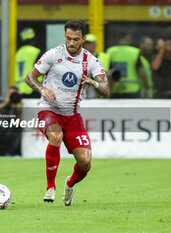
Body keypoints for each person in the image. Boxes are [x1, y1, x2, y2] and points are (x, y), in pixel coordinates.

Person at [25, 20, 109, 205]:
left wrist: (94, 83)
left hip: (71, 115)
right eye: (68, 38)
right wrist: (42, 89)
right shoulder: (53, 55)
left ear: (83, 39)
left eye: (76, 39)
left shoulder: (91, 61)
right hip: (48, 109)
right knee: (55, 136)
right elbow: (30, 77)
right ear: (65, 36)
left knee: (85, 162)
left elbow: (106, 90)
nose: (71, 43)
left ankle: (69, 184)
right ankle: (50, 187)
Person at [106, 32, 149, 98]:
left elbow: (107, 72)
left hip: (115, 90)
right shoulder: (135, 51)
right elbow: (142, 73)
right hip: (133, 90)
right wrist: (146, 88)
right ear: (128, 37)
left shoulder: (110, 51)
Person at [83, 34, 120, 98]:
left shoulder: (105, 57)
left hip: (101, 87)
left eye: (91, 43)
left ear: (95, 44)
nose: (88, 46)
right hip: (85, 88)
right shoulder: (79, 57)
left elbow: (112, 75)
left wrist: (108, 92)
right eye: (86, 44)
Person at [15, 27, 42, 98]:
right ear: (34, 38)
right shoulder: (35, 51)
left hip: (20, 88)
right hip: (34, 88)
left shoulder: (18, 52)